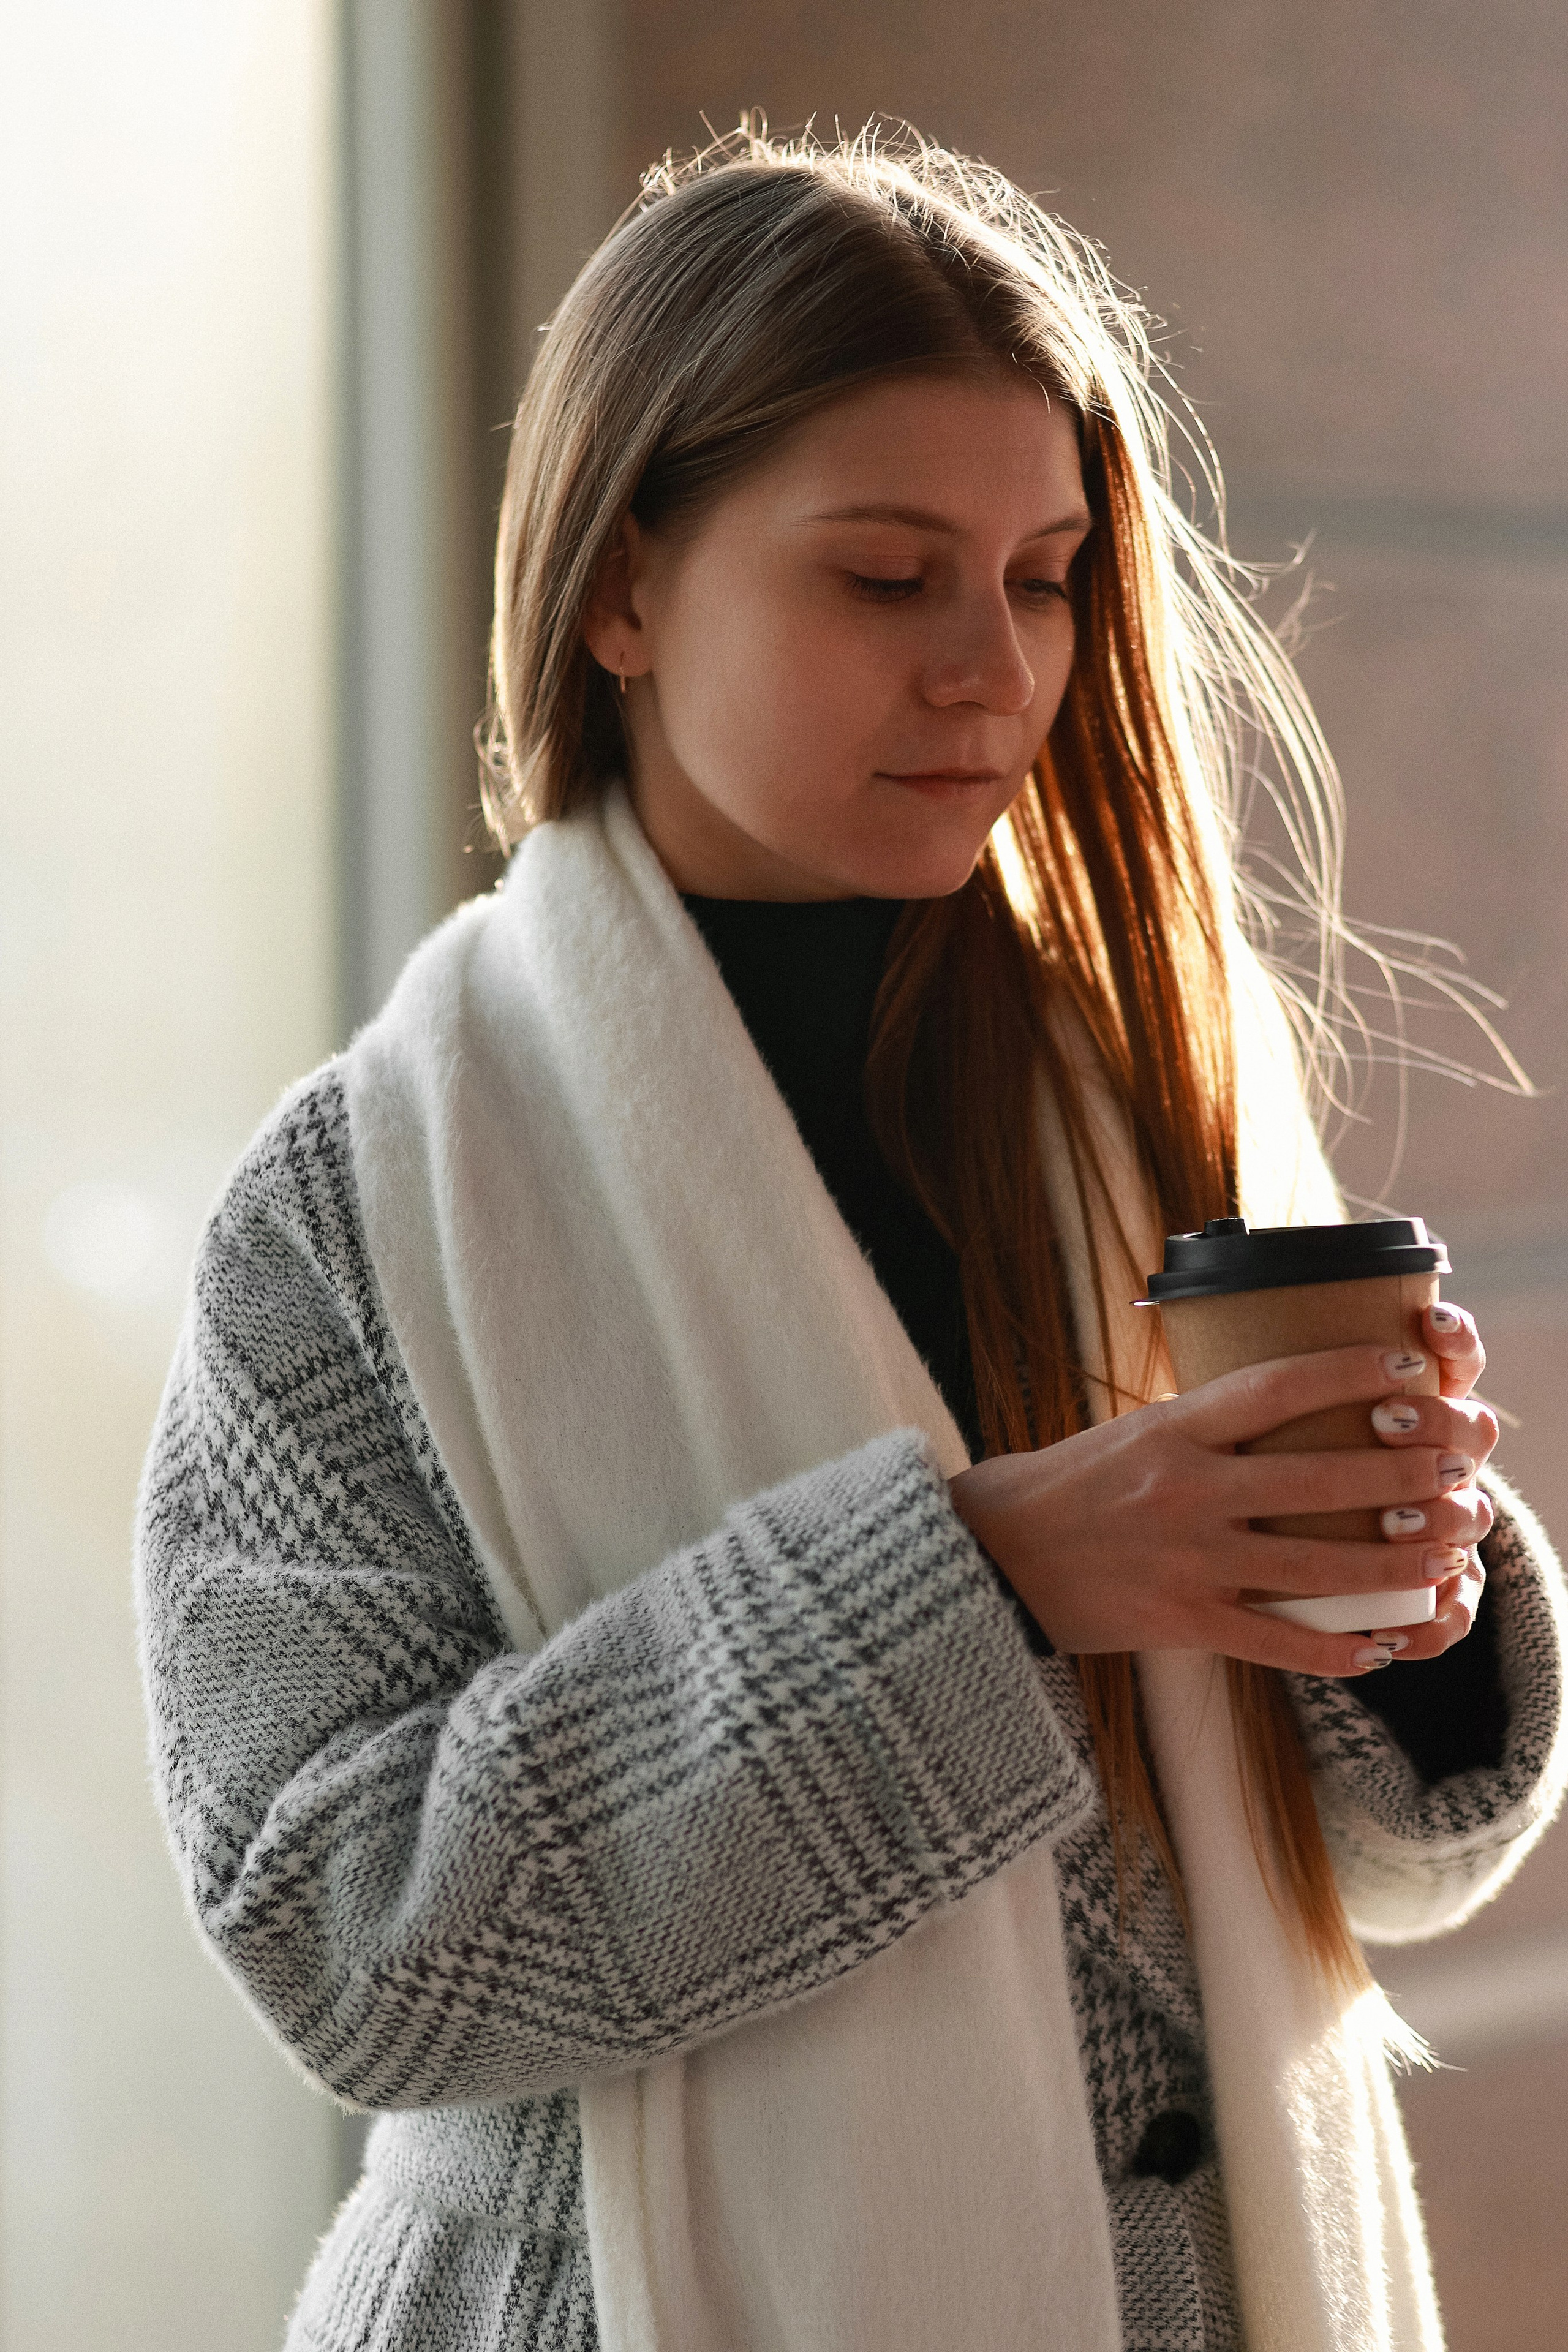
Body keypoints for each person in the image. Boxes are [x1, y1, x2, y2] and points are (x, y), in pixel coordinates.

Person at [135, 127, 1566, 2352]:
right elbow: (347, 1938)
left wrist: (1414, 1584)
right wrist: (993, 1586)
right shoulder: (359, 1211)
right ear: (621, 587)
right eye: (887, 580)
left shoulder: (1153, 1100)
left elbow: (1388, 1865)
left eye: (1047, 574)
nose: (992, 669)